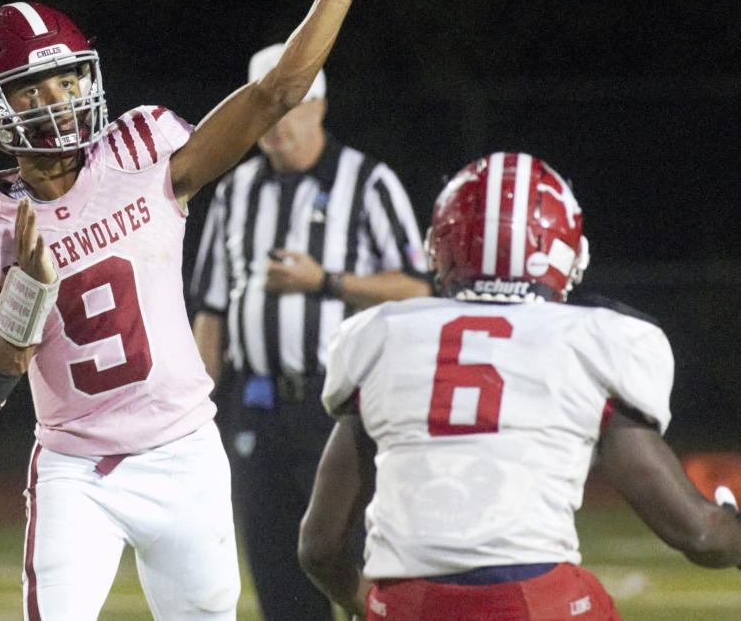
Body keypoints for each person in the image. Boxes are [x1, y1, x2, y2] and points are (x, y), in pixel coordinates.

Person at [0, 0, 404, 621]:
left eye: (68, 78)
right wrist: (23, 298)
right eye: (32, 87)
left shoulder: (145, 151)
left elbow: (277, 93)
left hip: (184, 455)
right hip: (75, 471)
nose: (59, 99)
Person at [297, 152, 741, 620]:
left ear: (440, 247)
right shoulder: (594, 340)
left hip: (408, 604)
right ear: (565, 253)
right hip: (533, 602)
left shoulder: (383, 337)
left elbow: (319, 548)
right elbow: (700, 535)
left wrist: (370, 604)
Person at [188, 43, 430, 620]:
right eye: (265, 108)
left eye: (288, 104)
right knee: (278, 580)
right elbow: (212, 311)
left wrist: (327, 283)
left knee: (357, 568)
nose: (275, 122)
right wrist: (192, 414)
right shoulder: (233, 191)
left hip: (340, 410)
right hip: (255, 409)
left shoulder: (368, 182)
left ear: (318, 105)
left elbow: (419, 288)